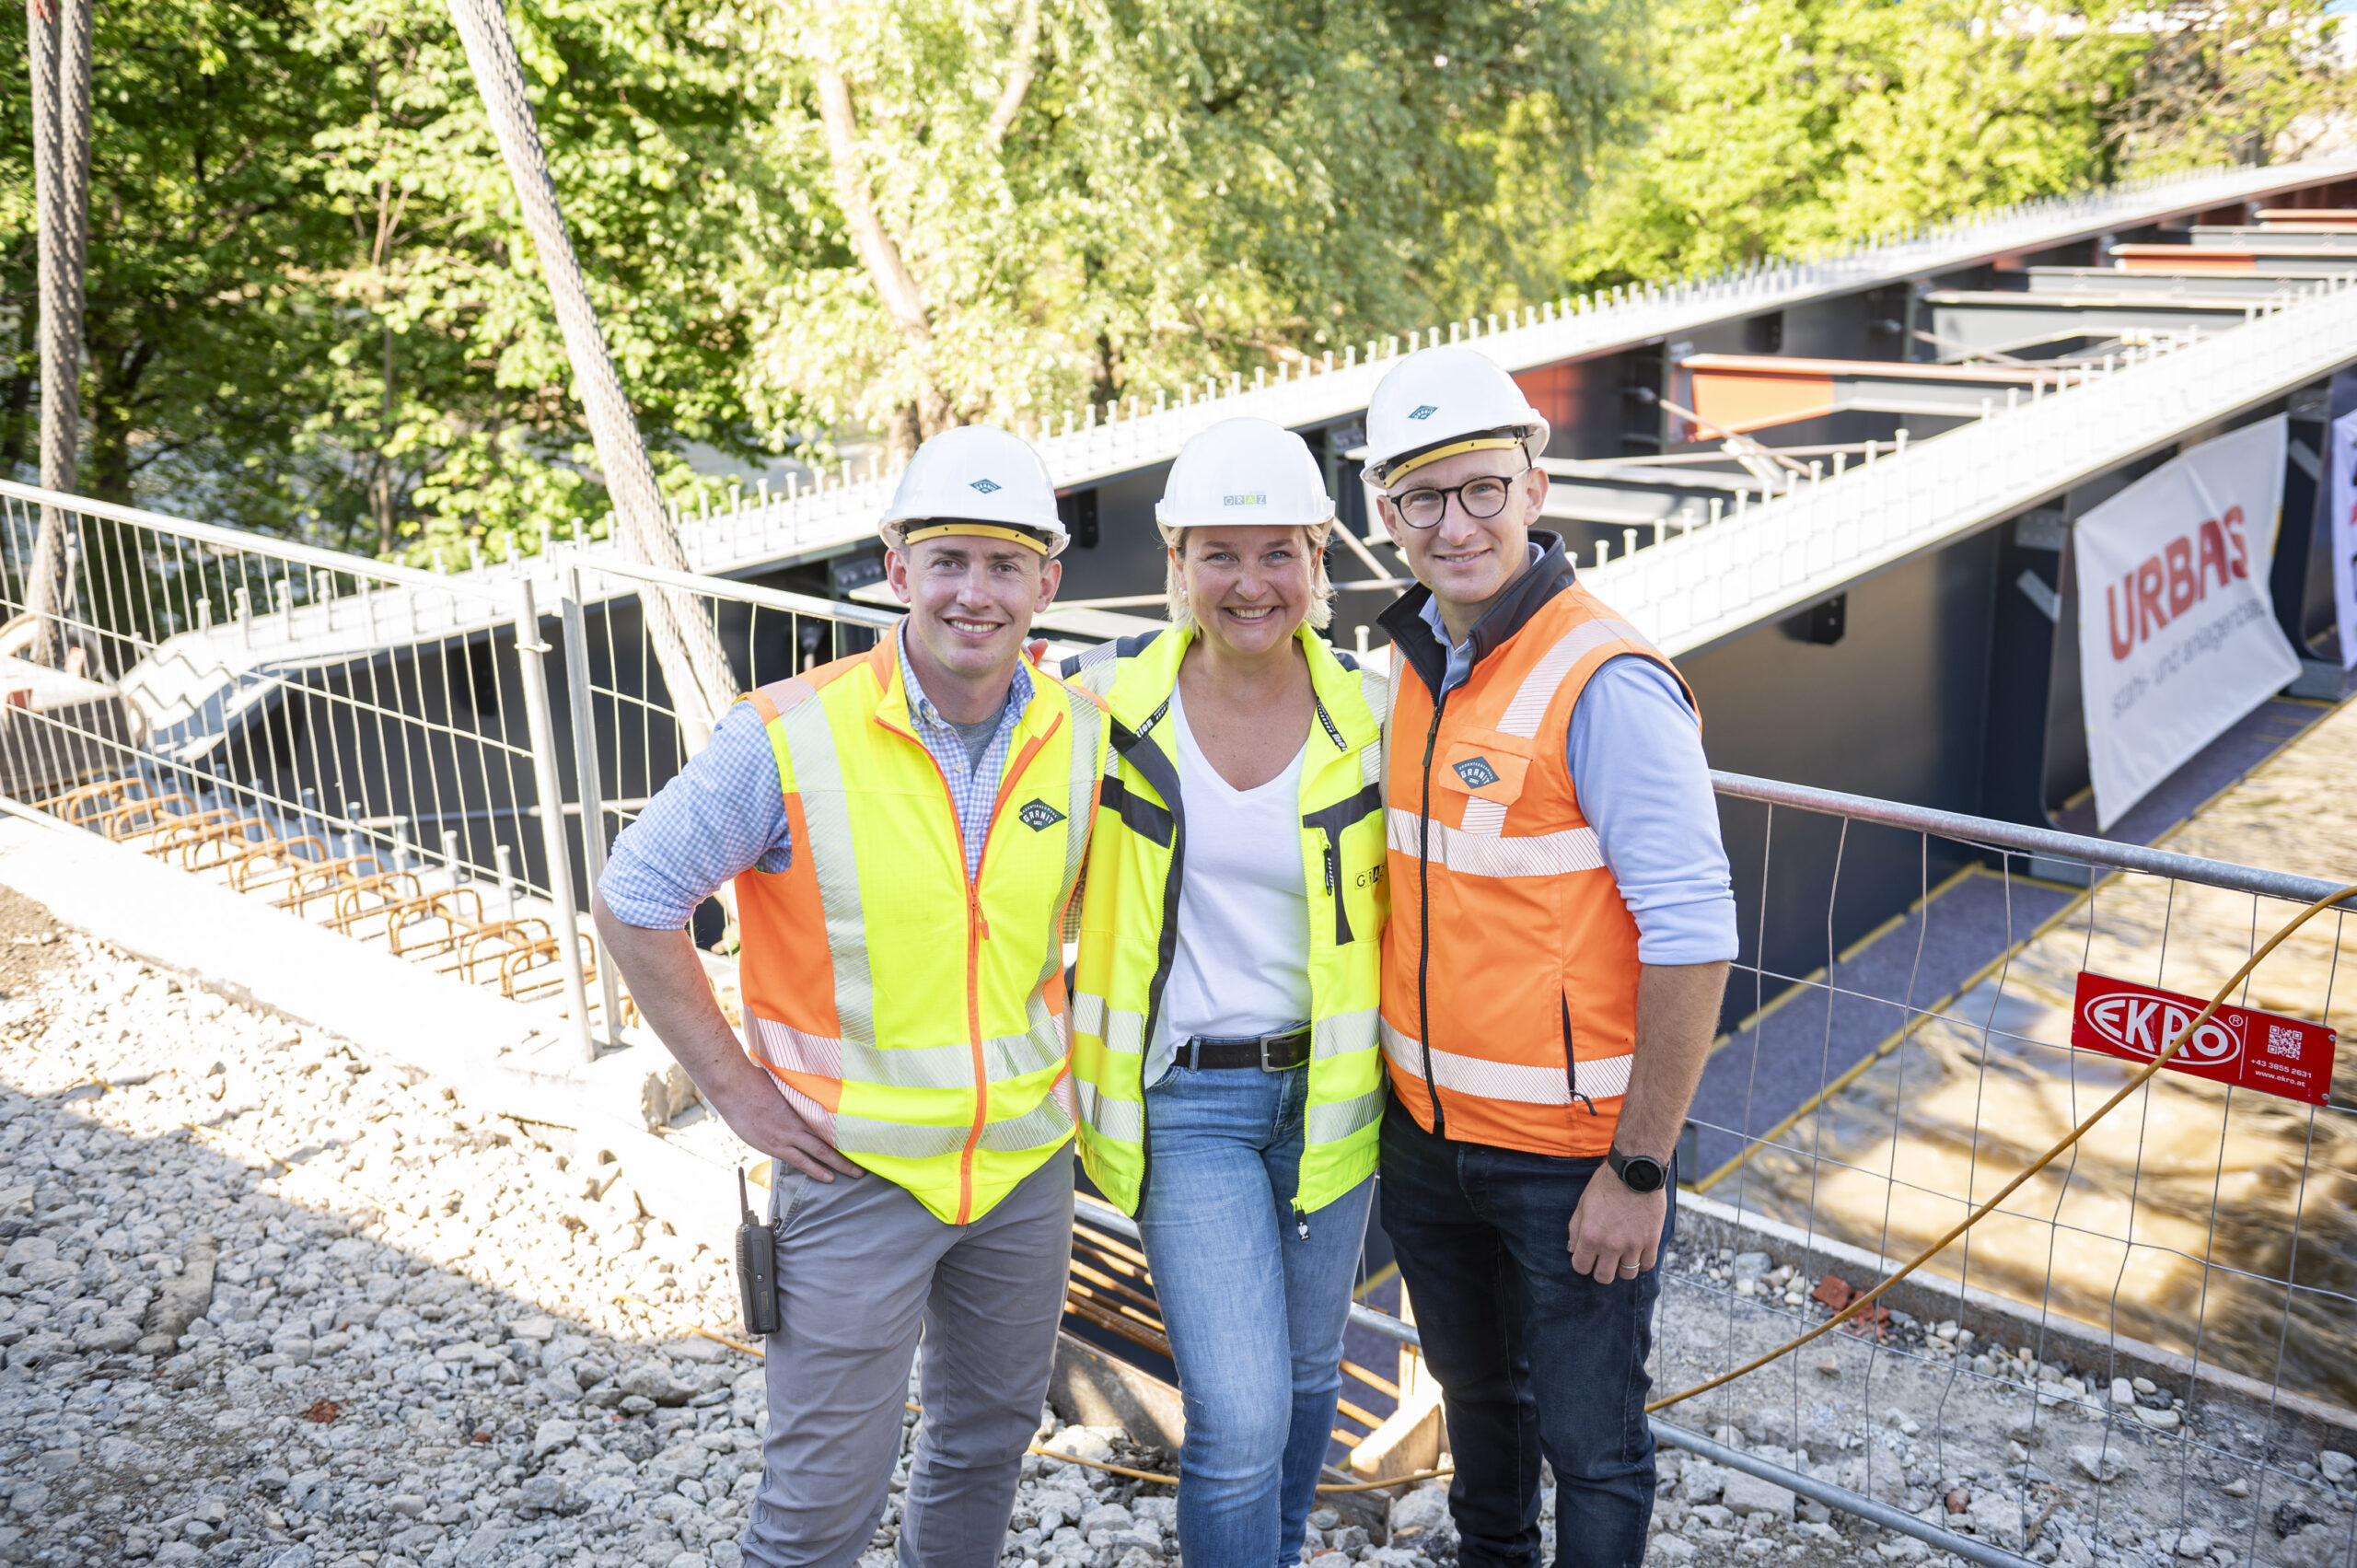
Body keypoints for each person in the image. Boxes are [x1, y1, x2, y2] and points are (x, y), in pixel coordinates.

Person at [592, 424, 1109, 1568]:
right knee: (821, 1497)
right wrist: (731, 1088)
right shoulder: (785, 734)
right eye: (949, 559)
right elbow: (634, 896)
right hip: (851, 1171)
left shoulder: (1081, 738)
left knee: (984, 1447)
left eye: (1005, 563)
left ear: (1046, 581)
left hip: (1023, 1168)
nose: (976, 592)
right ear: (897, 567)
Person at [1364, 346, 1738, 1568]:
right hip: (1428, 1137)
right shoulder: (1414, 660)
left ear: (1537, 482)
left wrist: (1640, 1161)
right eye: (1426, 496)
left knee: (1593, 1441)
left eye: (1482, 487)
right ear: (1389, 514)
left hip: (1572, 1155)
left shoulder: (1603, 678)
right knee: (1481, 1405)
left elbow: (1692, 933)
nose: (1456, 521)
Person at [1059, 416, 1389, 1567]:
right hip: (1186, 1102)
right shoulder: (1099, 709)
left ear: (1318, 560)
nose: (1250, 584)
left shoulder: (1377, 713)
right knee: (1241, 1413)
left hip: (1334, 1097)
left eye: (1277, 553)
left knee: (1305, 1381)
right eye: (1220, 554)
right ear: (1176, 565)